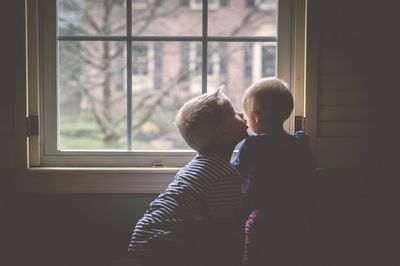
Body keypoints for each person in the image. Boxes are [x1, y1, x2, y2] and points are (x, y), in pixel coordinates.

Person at [128, 89, 248, 266]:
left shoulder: (195, 166)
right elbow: (226, 224)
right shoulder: (223, 174)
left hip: (145, 234)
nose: (241, 114)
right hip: (165, 240)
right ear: (221, 132)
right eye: (234, 114)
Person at [231, 77, 315, 266]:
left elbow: (236, 172)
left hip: (262, 215)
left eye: (248, 116)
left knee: (255, 255)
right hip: (296, 214)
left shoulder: (252, 146)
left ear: (256, 117)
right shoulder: (299, 143)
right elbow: (309, 172)